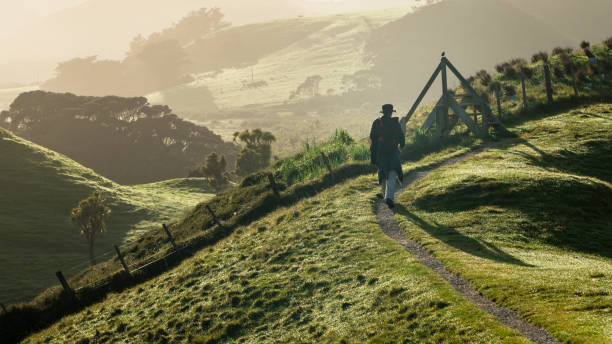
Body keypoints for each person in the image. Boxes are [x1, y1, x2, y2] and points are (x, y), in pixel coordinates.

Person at [370, 104, 405, 208]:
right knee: (393, 172)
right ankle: (389, 197)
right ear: (391, 113)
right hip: (393, 151)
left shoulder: (377, 123)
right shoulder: (395, 122)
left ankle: (385, 194)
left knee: (383, 172)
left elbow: (373, 137)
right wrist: (401, 145)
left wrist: (374, 153)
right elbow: (401, 137)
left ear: (383, 112)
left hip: (381, 151)